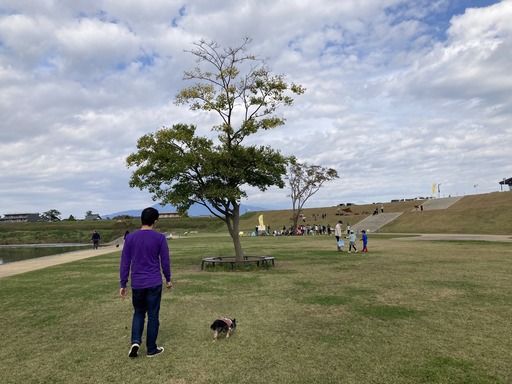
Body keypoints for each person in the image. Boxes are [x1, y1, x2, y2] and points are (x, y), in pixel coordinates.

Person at [119, 207, 173, 358]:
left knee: (138, 313)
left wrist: (123, 283)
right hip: (154, 282)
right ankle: (151, 348)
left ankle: (135, 341)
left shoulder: (130, 238)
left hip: (137, 283)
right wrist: (168, 279)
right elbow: (165, 261)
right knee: (153, 315)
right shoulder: (159, 238)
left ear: (141, 219)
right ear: (155, 221)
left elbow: (125, 262)